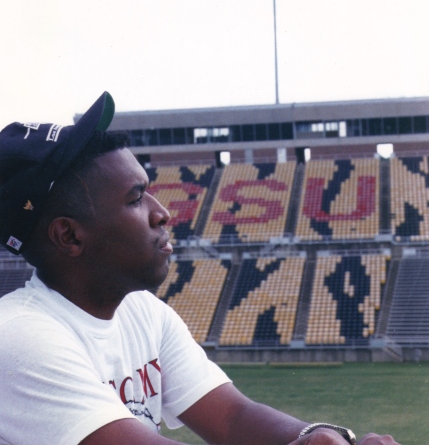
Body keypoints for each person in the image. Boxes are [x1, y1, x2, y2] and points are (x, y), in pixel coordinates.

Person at [0, 92, 399, 445]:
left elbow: (231, 418)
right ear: (69, 237)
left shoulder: (143, 313)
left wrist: (314, 436)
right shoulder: (18, 336)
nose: (162, 212)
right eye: (136, 198)